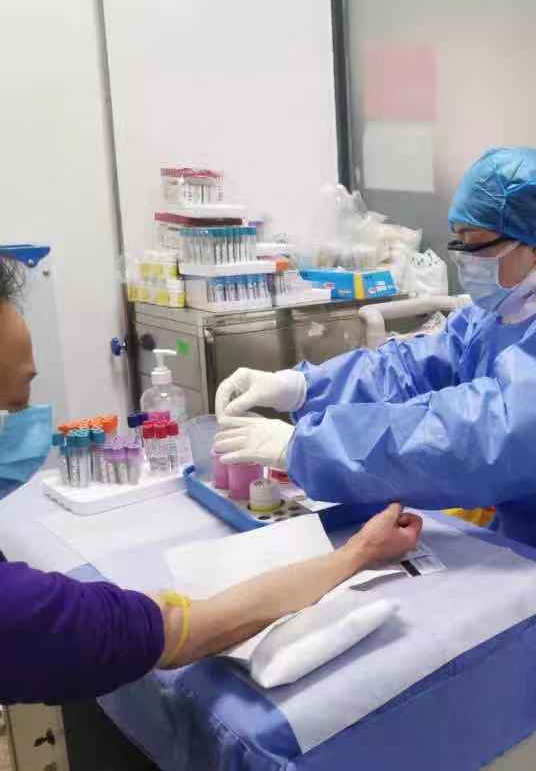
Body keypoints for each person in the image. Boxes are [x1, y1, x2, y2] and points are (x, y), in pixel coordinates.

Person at [214, 147, 536, 770]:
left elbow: (480, 436)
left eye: (475, 246)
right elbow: (410, 366)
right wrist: (302, 387)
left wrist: (306, 447)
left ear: (534, 243)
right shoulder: (501, 313)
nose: (463, 260)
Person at [0, 252, 423, 705]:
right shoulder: (17, 610)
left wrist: (301, 388)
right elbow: (191, 626)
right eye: (15, 405)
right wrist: (360, 552)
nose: (28, 420)